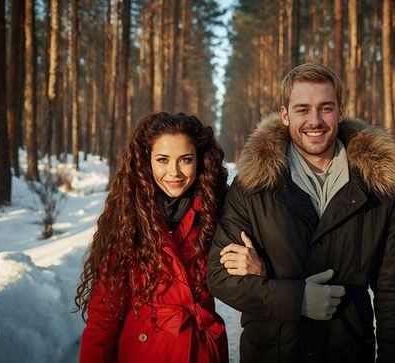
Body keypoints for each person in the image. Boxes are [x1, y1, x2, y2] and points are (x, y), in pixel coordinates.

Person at [207, 63, 395, 362]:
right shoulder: (254, 184)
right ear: (285, 114)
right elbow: (219, 276)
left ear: (340, 112)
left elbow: (394, 292)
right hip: (273, 352)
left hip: (348, 352)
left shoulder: (376, 186)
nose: (314, 121)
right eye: (303, 109)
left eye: (325, 108)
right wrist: (296, 299)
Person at [75, 112, 263, 362]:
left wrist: (258, 267)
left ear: (199, 161)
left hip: (202, 350)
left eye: (185, 159)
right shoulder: (127, 219)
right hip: (144, 351)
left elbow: (250, 282)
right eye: (162, 160)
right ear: (146, 160)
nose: (174, 172)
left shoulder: (216, 209)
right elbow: (102, 319)